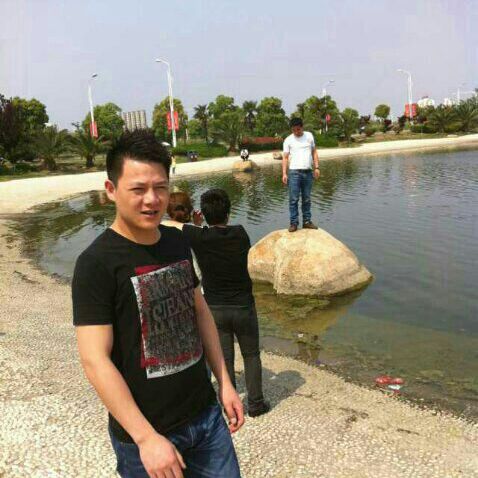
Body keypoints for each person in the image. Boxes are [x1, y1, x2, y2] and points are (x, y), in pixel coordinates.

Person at [72, 130, 243, 478]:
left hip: (206, 418)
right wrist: (146, 438)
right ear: (111, 190)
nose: (152, 200)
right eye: (138, 189)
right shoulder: (96, 263)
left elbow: (200, 313)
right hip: (147, 437)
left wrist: (224, 382)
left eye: (160, 187)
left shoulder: (177, 242)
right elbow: (94, 360)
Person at [181, 189, 270, 418]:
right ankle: (256, 404)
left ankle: (230, 405)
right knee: (251, 355)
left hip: (215, 309)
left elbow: (176, 226)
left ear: (204, 214)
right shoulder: (240, 233)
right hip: (243, 306)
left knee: (224, 358)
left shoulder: (197, 237)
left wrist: (197, 224)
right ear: (228, 213)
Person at [282, 117, 320, 232]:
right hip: (294, 173)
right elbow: (285, 157)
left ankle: (307, 221)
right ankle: (294, 223)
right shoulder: (288, 140)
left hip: (308, 172)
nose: (296, 132)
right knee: (293, 199)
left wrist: (317, 167)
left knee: (307, 198)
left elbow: (314, 152)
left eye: (298, 129)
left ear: (302, 127)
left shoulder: (309, 136)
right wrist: (284, 173)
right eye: (293, 130)